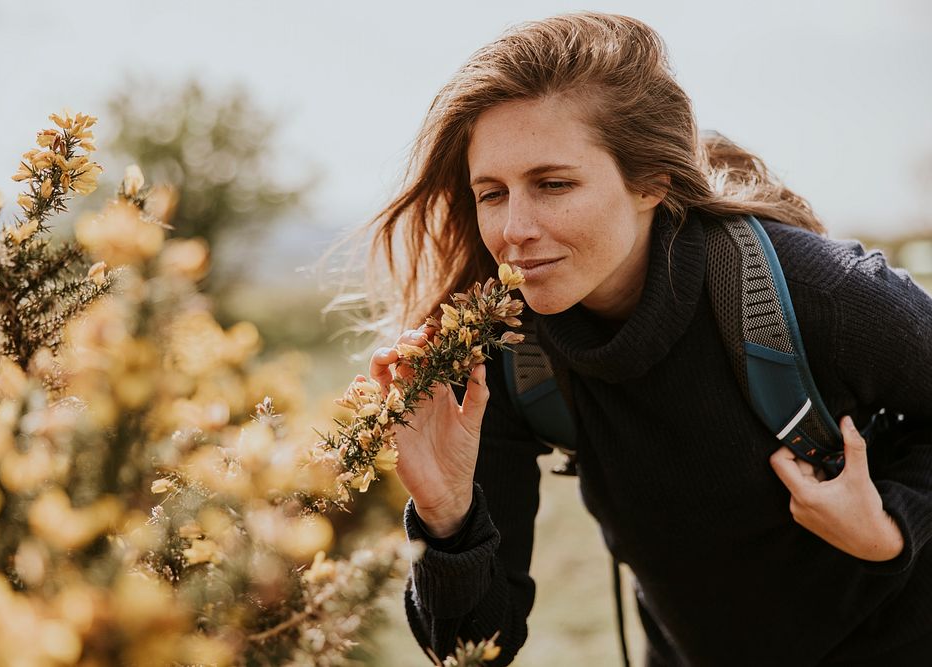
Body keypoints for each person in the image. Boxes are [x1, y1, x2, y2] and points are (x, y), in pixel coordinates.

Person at [359, 12, 932, 666]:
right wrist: (445, 517)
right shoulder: (503, 356)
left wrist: (891, 526)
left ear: (650, 182)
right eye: (492, 193)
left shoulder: (824, 293)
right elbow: (472, 650)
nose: (514, 228)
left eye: (553, 184)